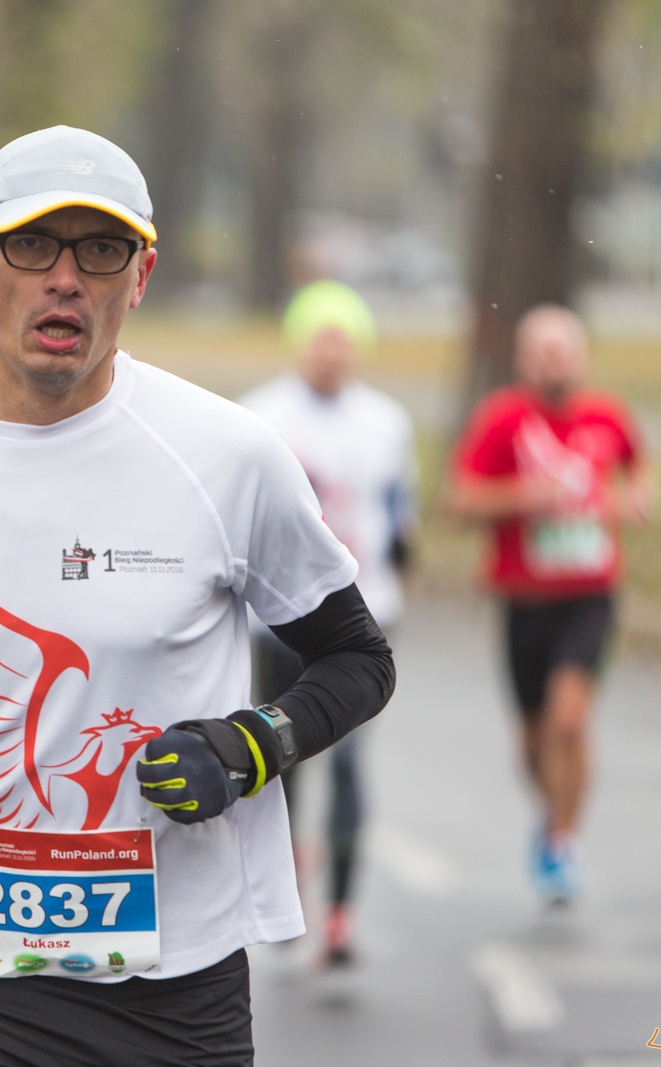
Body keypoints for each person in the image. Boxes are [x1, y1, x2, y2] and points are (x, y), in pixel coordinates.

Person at [0, 125, 395, 1065]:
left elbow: (360, 659)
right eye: (31, 244)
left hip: (178, 983)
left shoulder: (227, 457)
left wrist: (249, 746)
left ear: (139, 277)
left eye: (100, 250)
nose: (65, 278)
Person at [448, 304, 653, 905]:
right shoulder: (502, 419)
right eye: (541, 352)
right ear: (522, 360)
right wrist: (524, 496)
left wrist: (637, 498)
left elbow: (638, 471)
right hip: (524, 598)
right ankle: (552, 813)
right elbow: (460, 501)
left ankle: (564, 842)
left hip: (590, 595)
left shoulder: (607, 416)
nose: (553, 362)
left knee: (571, 719)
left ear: (582, 357)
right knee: (535, 741)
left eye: (563, 351)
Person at [239, 280, 415, 968]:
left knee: (348, 759)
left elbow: (403, 515)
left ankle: (341, 910)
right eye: (321, 337)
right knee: (285, 754)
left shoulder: (388, 423)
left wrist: (400, 574)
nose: (332, 352)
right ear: (298, 341)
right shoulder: (260, 415)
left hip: (362, 610)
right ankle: (287, 886)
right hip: (278, 620)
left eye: (345, 339)